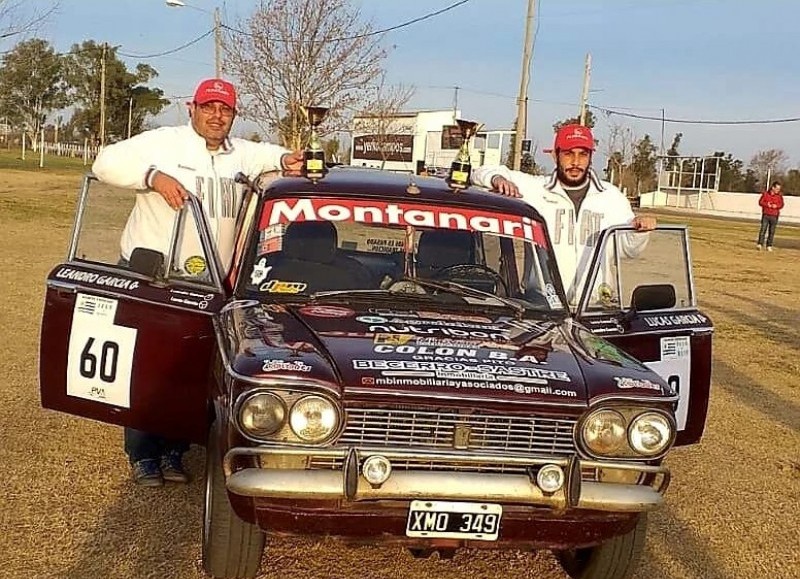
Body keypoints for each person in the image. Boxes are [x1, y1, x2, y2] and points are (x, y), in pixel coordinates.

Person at [92, 78, 303, 487]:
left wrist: (292, 160)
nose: (216, 116)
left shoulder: (242, 152)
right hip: (156, 273)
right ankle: (143, 453)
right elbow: (104, 163)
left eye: (224, 109)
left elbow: (279, 157)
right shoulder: (163, 142)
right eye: (209, 107)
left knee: (190, 370)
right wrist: (153, 176)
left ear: (234, 115)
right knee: (147, 367)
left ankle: (174, 450)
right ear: (192, 108)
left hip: (210, 281)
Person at [472, 123, 656, 306]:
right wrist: (498, 179)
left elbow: (627, 251)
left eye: (582, 154)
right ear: (555, 155)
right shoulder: (536, 189)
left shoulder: (611, 196)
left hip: (596, 306)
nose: (575, 162)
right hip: (543, 305)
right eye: (568, 154)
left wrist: (640, 230)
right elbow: (480, 172)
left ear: (591, 157)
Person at [756, 181, 784, 251]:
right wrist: (767, 204)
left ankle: (769, 245)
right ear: (773, 187)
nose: (778, 190)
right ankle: (760, 244)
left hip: (774, 216)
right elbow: (760, 202)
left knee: (772, 232)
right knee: (763, 230)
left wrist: (776, 206)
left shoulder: (779, 196)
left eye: (779, 189)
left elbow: (781, 204)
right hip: (766, 214)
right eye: (777, 188)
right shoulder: (765, 194)